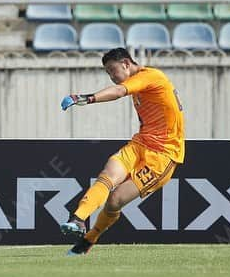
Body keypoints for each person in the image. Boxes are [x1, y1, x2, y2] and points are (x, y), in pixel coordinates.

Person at [60, 48, 185, 256]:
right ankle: (78, 219)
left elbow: (119, 92)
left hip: (163, 156)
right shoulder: (140, 83)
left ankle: (89, 240)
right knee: (107, 176)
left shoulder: (150, 76)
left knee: (114, 201)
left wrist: (86, 98)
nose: (111, 76)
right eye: (107, 72)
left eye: (112, 70)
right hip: (140, 144)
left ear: (126, 63)